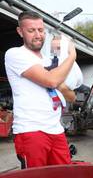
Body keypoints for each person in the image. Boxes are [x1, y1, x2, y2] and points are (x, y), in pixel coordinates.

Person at [4, 11, 77, 168]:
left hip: (56, 130)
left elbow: (72, 97)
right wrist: (72, 55)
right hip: (31, 131)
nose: (38, 35)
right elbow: (51, 80)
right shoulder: (15, 54)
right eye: (31, 30)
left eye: (41, 30)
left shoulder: (50, 61)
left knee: (64, 177)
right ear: (20, 31)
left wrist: (60, 85)